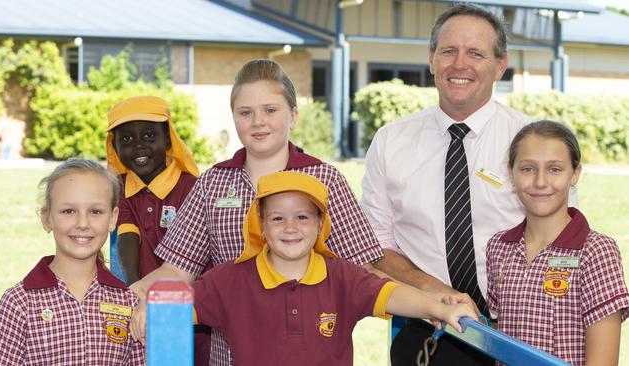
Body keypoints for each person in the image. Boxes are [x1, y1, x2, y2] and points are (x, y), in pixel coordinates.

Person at [129, 59, 385, 365]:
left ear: (293, 115)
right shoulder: (213, 183)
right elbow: (179, 268)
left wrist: (429, 301)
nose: (258, 121)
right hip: (231, 356)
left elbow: (362, 273)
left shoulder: (326, 180)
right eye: (245, 113)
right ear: (234, 118)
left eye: (270, 110)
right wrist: (139, 293)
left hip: (315, 353)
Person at [360, 3, 576, 364]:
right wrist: (437, 294)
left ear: (500, 66)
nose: (459, 64)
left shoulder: (533, 143)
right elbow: (373, 244)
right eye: (448, 51)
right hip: (426, 330)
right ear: (431, 59)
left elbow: (565, 240)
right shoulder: (390, 141)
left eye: (475, 53)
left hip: (520, 333)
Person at [190, 170, 477, 365]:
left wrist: (439, 309)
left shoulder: (341, 275)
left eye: (302, 217)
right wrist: (147, 311)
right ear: (261, 225)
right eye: (278, 219)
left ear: (320, 225)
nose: (290, 227)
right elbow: (176, 307)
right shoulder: (229, 280)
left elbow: (390, 294)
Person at [486, 120, 629, 365]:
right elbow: (500, 337)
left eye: (554, 169)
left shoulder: (595, 252)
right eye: (528, 169)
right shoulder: (499, 247)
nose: (540, 182)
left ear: (574, 174)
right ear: (511, 173)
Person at [0, 158, 145, 365]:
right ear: (47, 218)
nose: (83, 223)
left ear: (113, 218)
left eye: (95, 211)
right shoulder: (20, 302)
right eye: (68, 211)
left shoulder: (128, 302)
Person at [106, 95, 200, 285]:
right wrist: (133, 284)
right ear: (115, 147)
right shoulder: (121, 187)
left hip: (186, 292)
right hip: (142, 289)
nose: (138, 145)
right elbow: (127, 233)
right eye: (126, 139)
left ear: (167, 140)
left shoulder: (191, 187)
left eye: (149, 135)